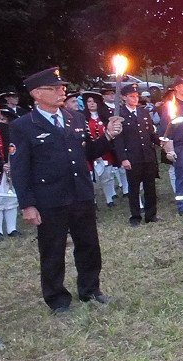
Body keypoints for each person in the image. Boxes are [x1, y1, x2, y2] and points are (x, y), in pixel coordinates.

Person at [9, 67, 122, 312]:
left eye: (62, 88)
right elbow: (20, 169)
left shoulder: (75, 118)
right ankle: (57, 298)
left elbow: (87, 153)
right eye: (55, 88)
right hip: (50, 198)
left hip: (80, 193)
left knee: (89, 245)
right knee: (53, 250)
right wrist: (28, 204)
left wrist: (108, 137)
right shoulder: (24, 126)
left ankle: (90, 290)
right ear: (37, 93)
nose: (62, 92)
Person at [115, 83, 161, 226]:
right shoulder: (119, 115)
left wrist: (161, 142)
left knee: (150, 187)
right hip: (132, 157)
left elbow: (150, 134)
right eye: (131, 96)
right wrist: (123, 158)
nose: (135, 99)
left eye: (136, 96)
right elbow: (118, 140)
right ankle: (135, 217)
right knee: (134, 188)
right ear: (124, 97)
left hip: (147, 155)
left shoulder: (143, 112)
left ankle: (151, 215)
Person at [159, 78, 183, 214]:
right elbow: (165, 129)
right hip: (179, 146)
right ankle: (182, 206)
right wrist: (169, 149)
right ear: (177, 88)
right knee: (181, 177)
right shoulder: (170, 106)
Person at [0, 101, 18, 238]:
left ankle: (12, 229)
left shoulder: (6, 128)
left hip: (9, 169)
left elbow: (12, 146)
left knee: (11, 198)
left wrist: (11, 161)